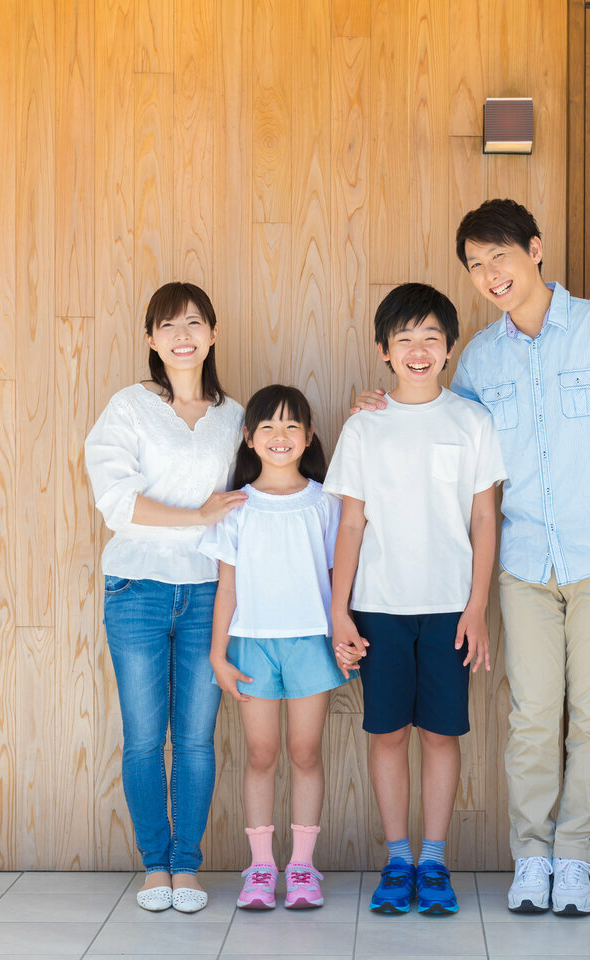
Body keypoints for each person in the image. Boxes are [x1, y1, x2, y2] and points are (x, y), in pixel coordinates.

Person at [354, 199, 590, 916]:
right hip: (524, 563)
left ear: (534, 249)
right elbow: (443, 425)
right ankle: (532, 857)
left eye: (498, 255)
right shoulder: (479, 358)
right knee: (532, 715)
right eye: (475, 265)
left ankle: (575, 858)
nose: (489, 273)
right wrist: (380, 407)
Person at [326, 283, 506, 916]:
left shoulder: (472, 421)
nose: (418, 349)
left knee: (440, 734)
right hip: (378, 606)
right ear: (384, 350)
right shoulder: (363, 426)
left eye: (431, 336)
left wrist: (477, 605)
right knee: (387, 733)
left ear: (450, 347)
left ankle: (433, 860)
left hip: (451, 608)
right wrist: (339, 610)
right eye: (404, 338)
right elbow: (351, 523)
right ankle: (397, 858)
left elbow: (484, 518)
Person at [85, 281, 247, 914]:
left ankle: (187, 866)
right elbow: (116, 504)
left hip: (209, 591)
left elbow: (278, 467)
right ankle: (155, 865)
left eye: (195, 322)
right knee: (145, 738)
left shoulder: (233, 416)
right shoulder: (129, 407)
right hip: (137, 588)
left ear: (213, 334)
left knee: (198, 739)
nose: (183, 335)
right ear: (151, 339)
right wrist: (198, 515)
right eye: (169, 325)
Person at [201, 384, 350, 911]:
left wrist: (345, 634)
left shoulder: (326, 502)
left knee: (305, 753)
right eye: (267, 426)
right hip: (251, 646)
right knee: (261, 754)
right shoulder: (236, 507)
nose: (279, 436)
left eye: (291, 426)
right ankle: (262, 867)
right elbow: (226, 588)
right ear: (248, 437)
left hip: (312, 643)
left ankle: (303, 867)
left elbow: (340, 577)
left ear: (309, 436)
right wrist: (218, 654)